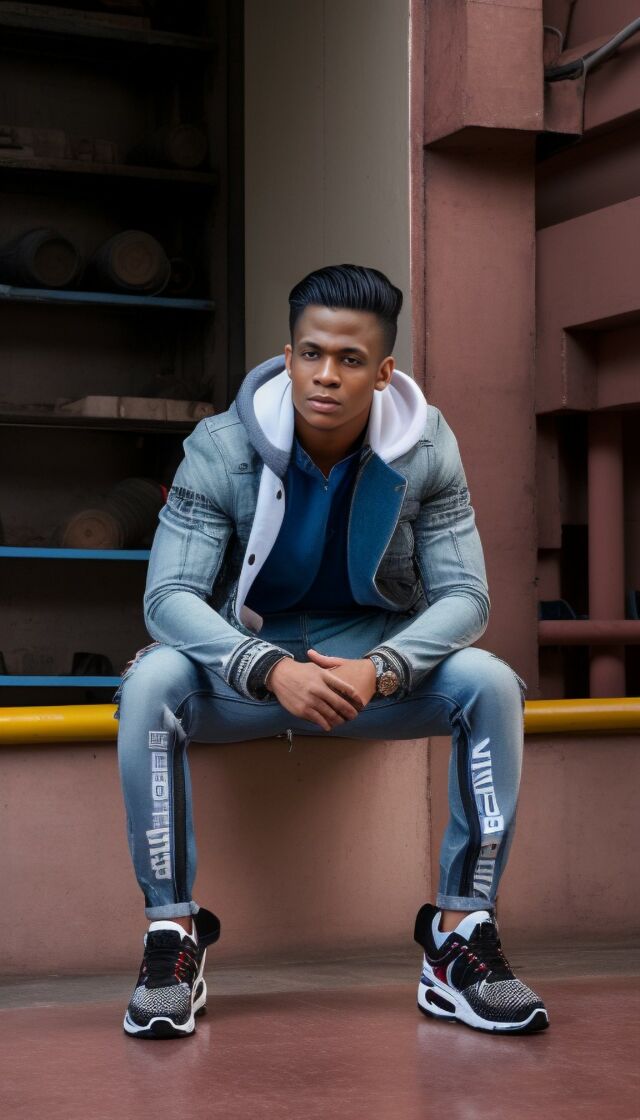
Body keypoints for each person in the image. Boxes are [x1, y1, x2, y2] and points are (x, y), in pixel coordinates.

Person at [114, 263, 549, 1039]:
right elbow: (167, 597)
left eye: (350, 360)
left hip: (372, 666)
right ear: (288, 357)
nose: (326, 375)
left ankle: (460, 938)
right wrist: (266, 668)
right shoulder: (221, 447)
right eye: (312, 354)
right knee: (151, 681)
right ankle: (171, 938)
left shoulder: (426, 446)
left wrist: (384, 669)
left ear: (383, 372)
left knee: (489, 682)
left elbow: (467, 598)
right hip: (247, 662)